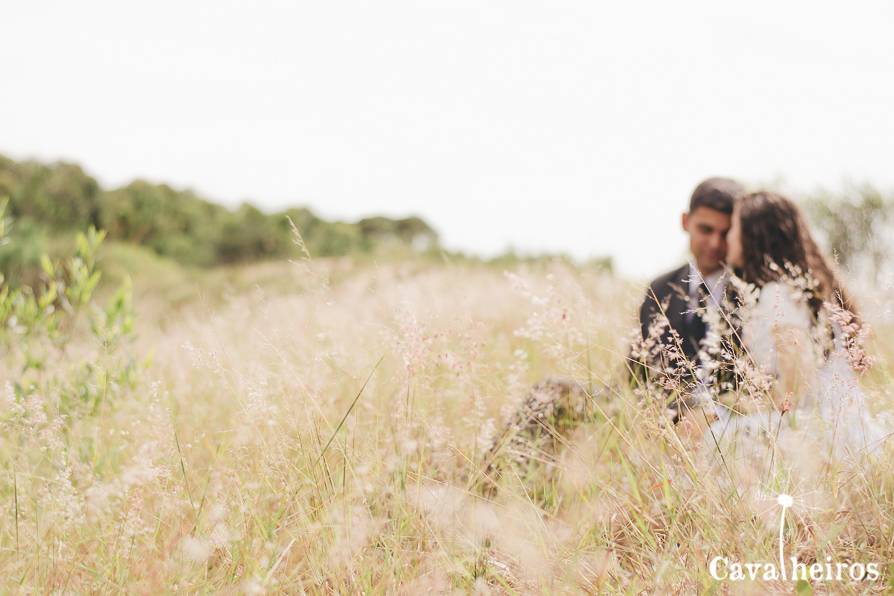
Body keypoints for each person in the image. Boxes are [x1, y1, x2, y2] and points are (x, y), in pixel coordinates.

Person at [685, 191, 891, 464]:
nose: (728, 238)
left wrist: (732, 408)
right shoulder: (791, 290)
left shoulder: (778, 295)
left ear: (752, 235)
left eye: (734, 228)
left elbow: (797, 387)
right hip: (829, 424)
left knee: (714, 438)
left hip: (822, 432)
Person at [629, 177, 745, 422]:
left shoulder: (753, 291)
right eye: (706, 230)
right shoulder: (660, 289)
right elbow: (635, 371)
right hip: (661, 421)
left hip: (726, 425)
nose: (715, 243)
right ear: (685, 222)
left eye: (725, 233)